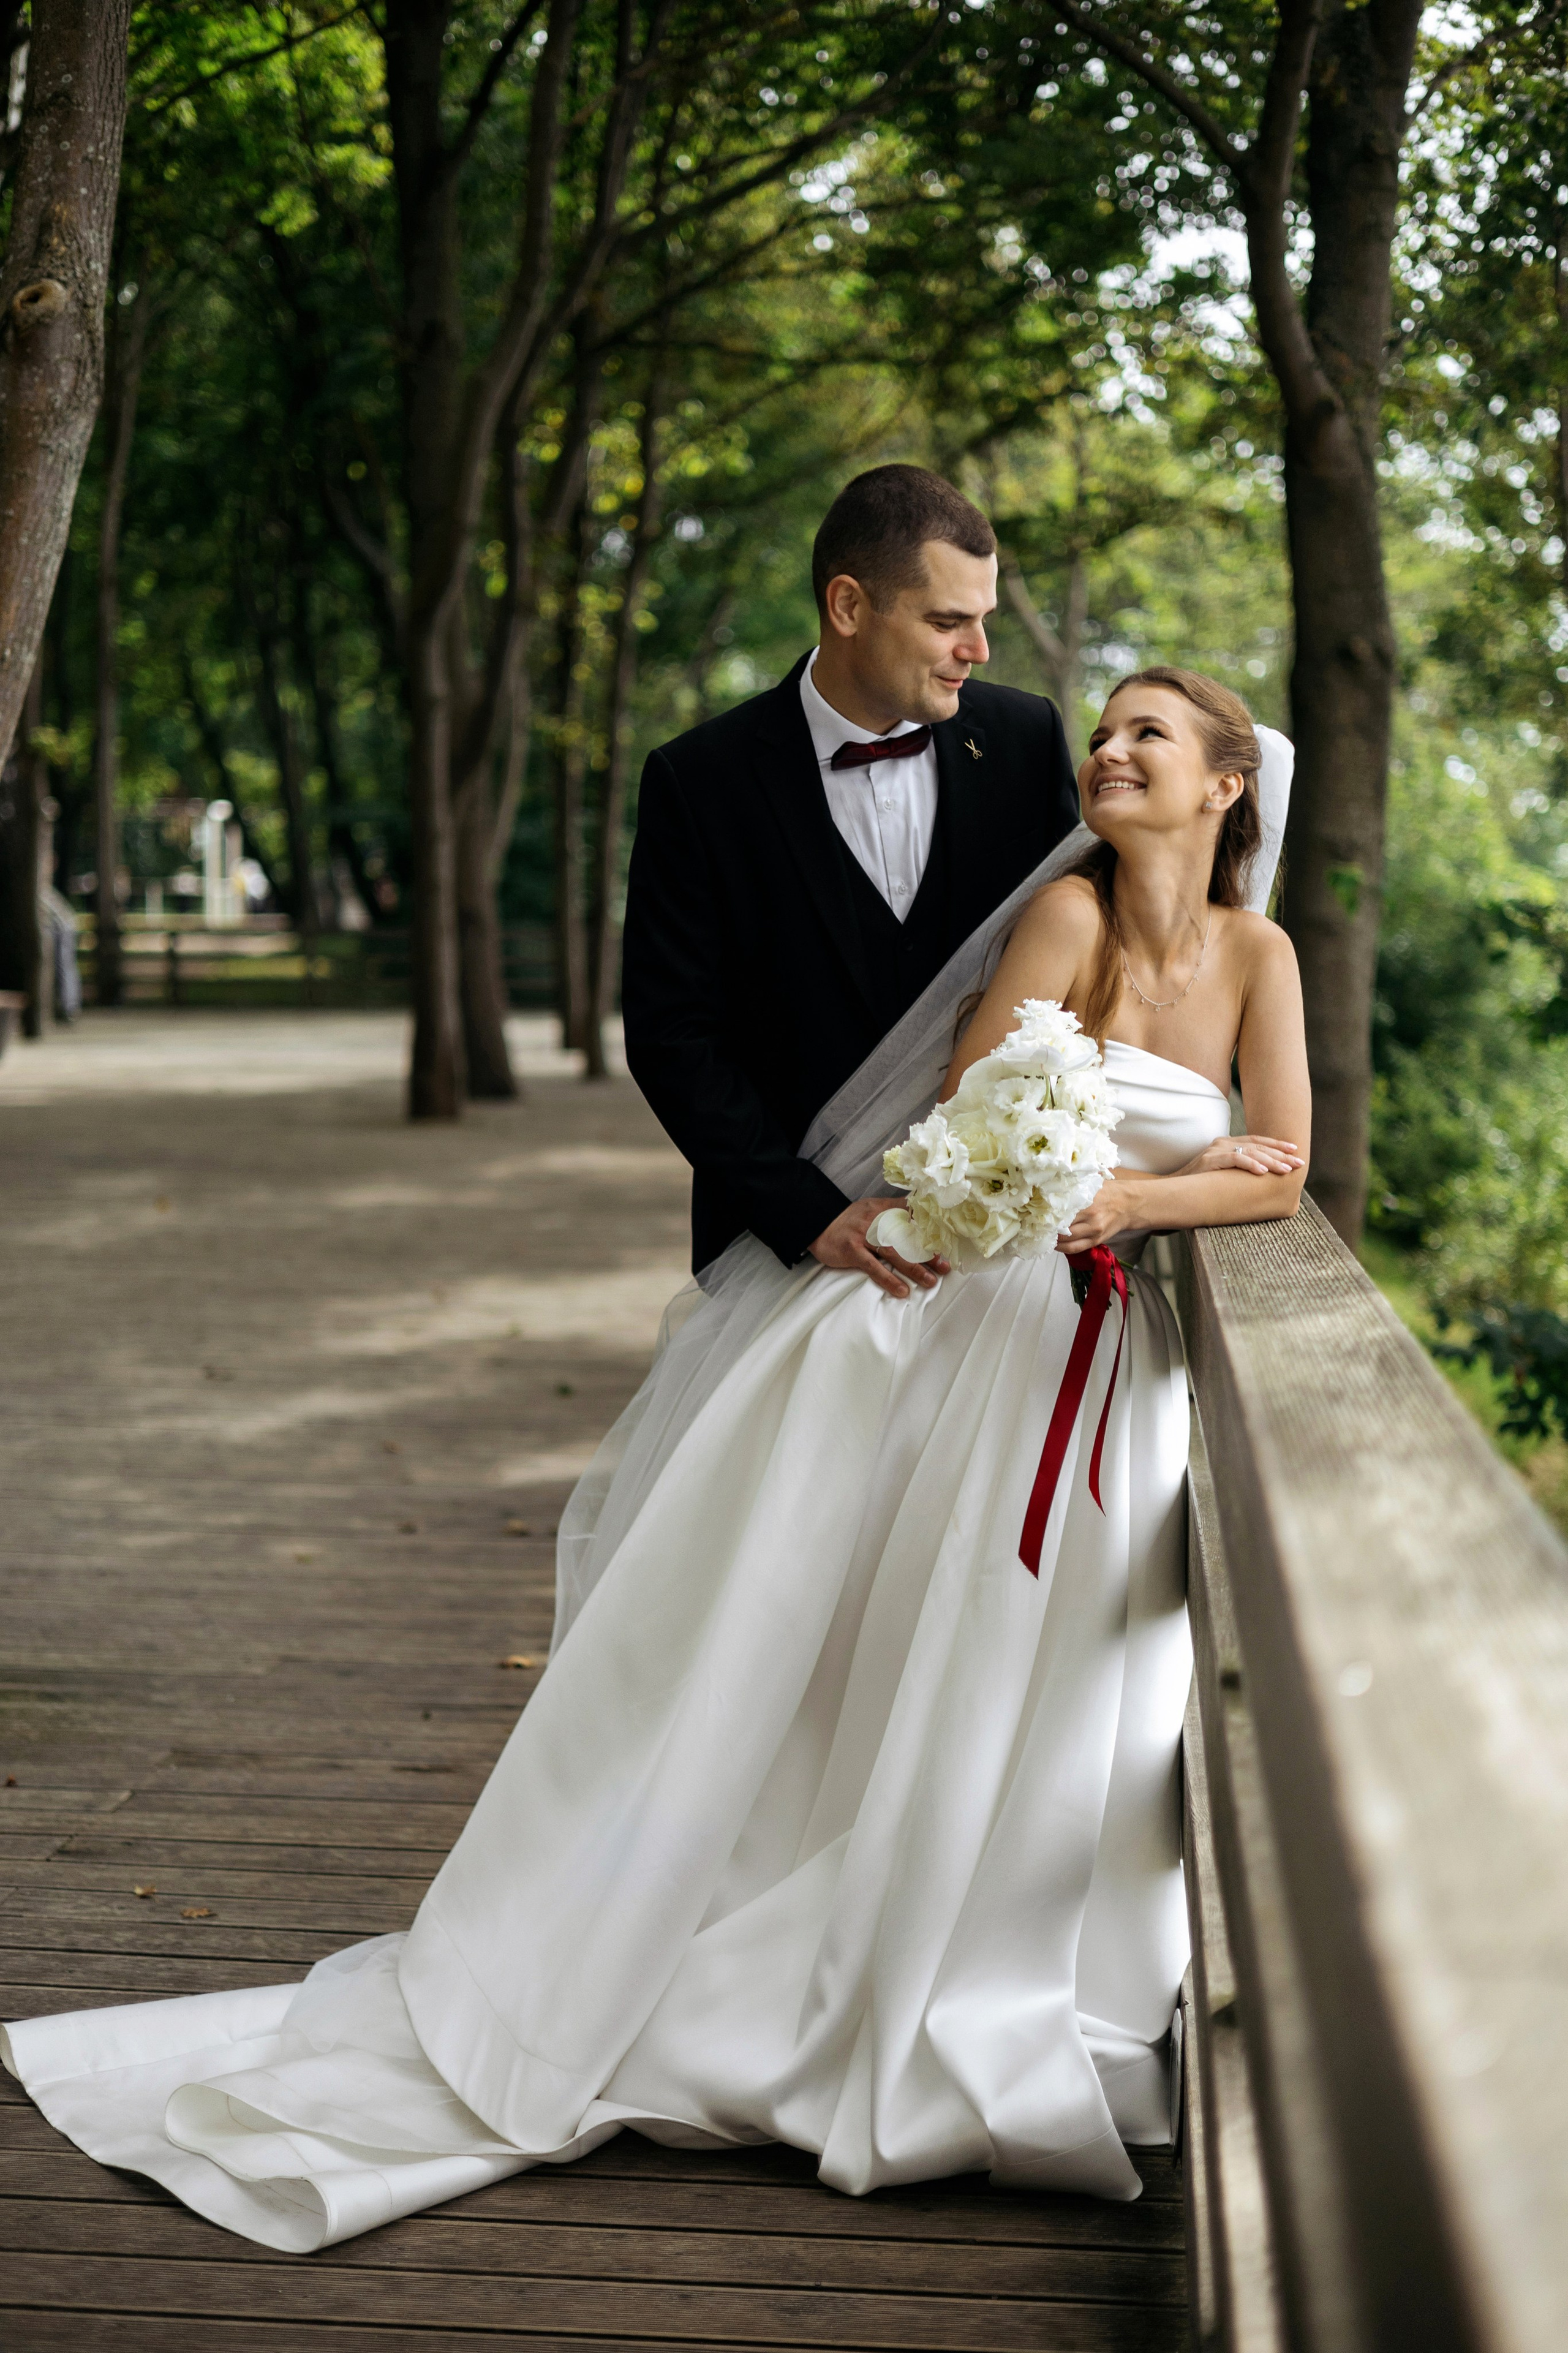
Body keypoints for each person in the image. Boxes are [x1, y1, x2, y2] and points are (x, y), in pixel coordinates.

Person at [2, 539, 1306, 2252]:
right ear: (851, 603)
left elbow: (1279, 1166)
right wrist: (891, 1192)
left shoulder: (1237, 933)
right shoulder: (826, 822)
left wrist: (1133, 1198)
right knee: (856, 1642)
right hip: (955, 1308)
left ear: (1227, 786)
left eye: (1152, 734)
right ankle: (805, 1962)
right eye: (956, 619)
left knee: (1050, 1683)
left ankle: (1014, 1970)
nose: (1092, 739)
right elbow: (741, 1039)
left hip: (1108, 1345)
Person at [622, 464, 1080, 1288]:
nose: (978, 650)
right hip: (784, 1252)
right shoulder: (700, 780)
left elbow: (1091, 966)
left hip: (995, 1254)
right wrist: (805, 1212)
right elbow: (671, 1033)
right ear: (848, 606)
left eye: (982, 619)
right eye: (948, 621)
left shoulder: (1024, 740)